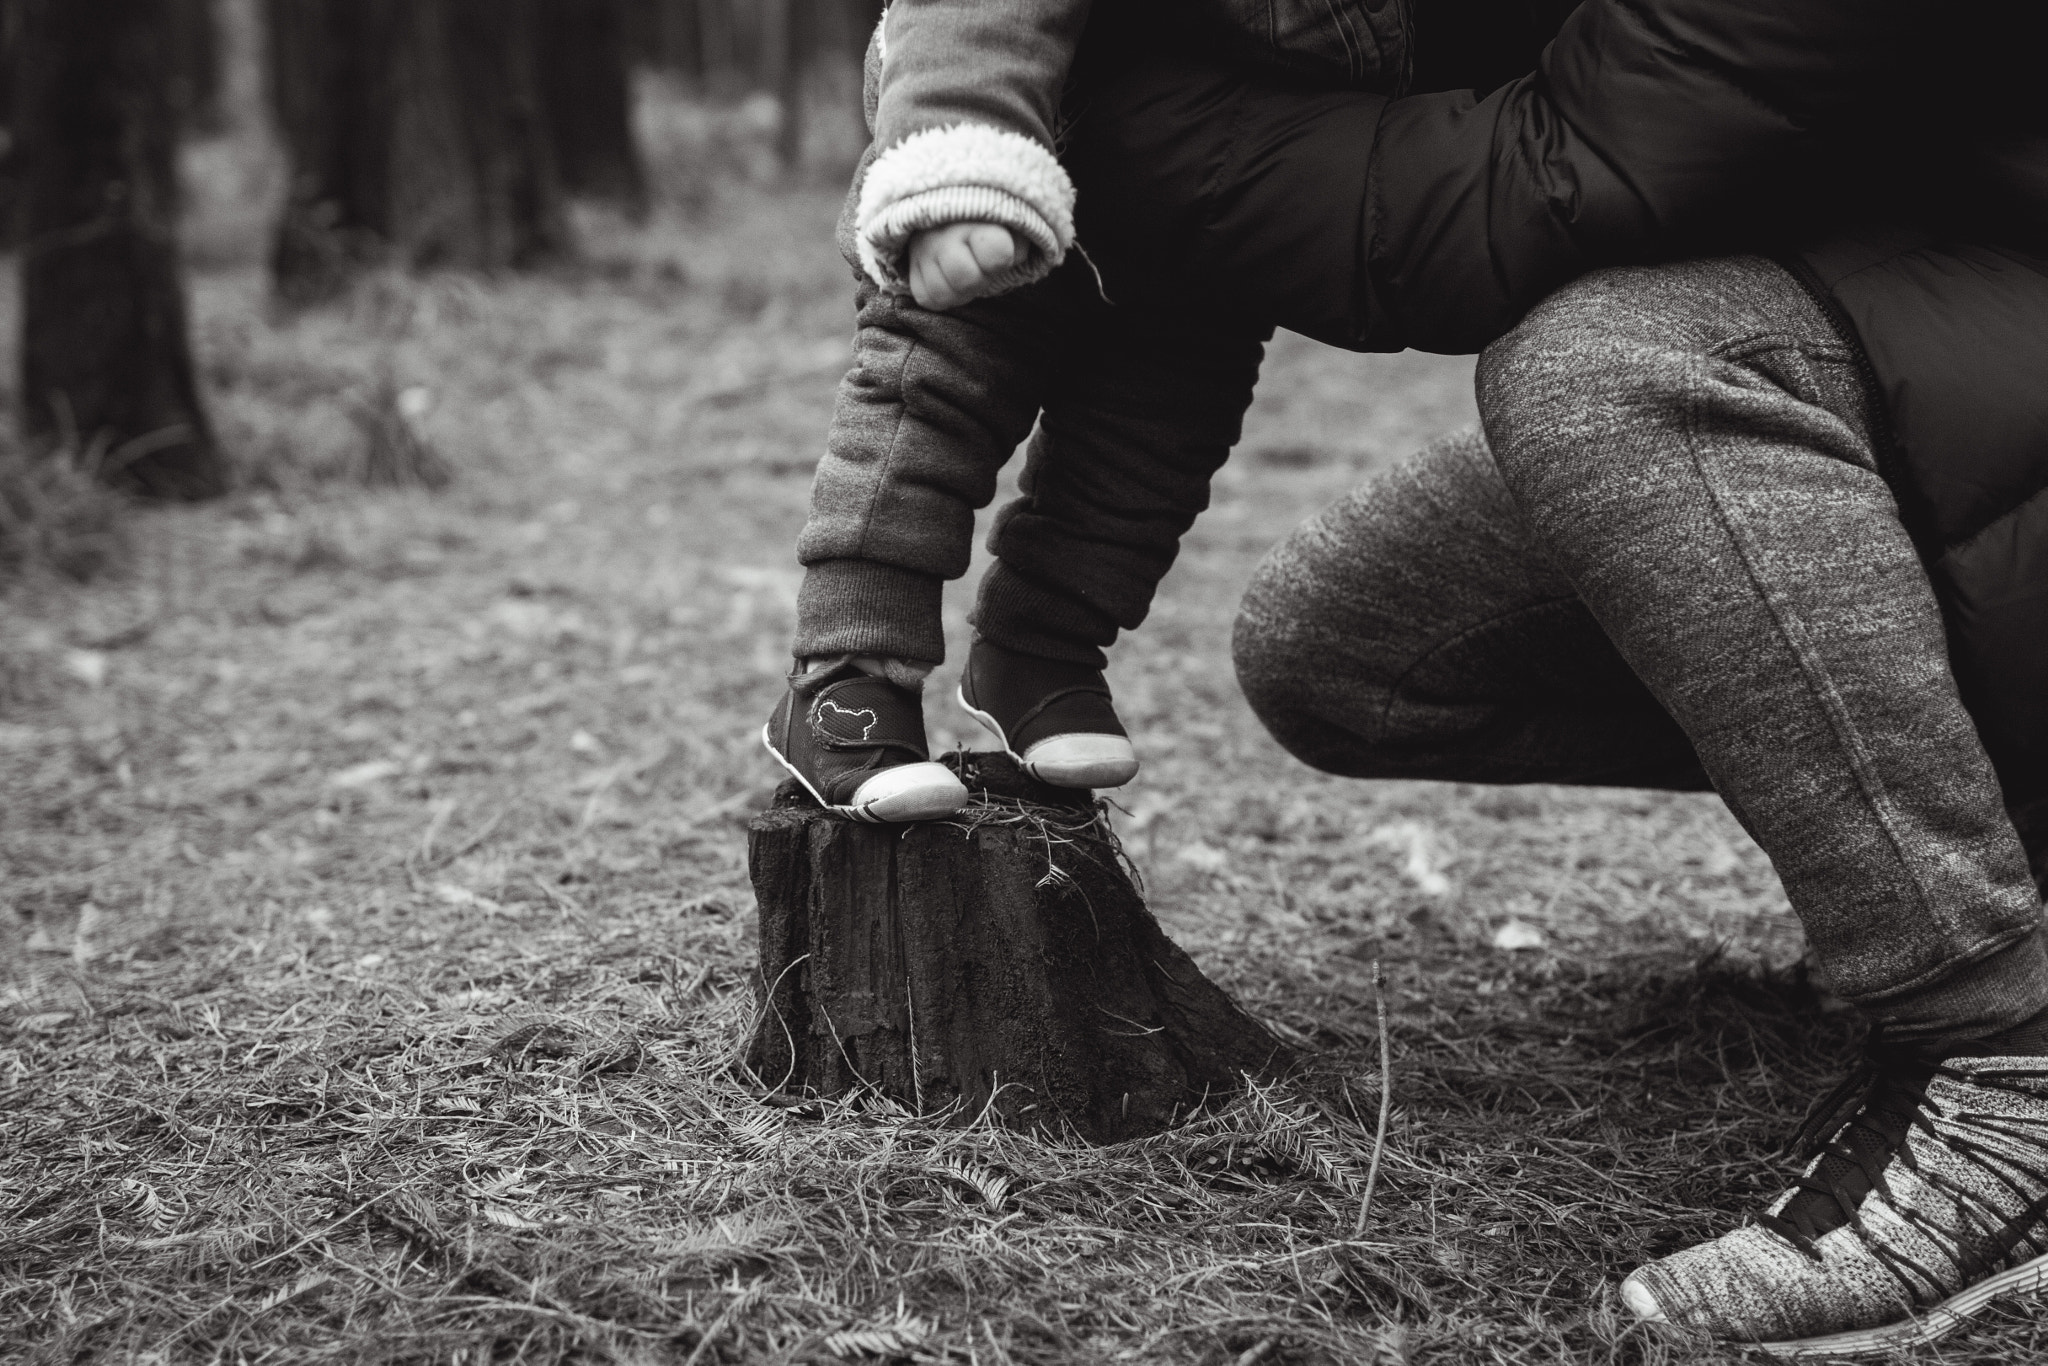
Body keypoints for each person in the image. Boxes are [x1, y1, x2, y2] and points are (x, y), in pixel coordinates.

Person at [1051, 0, 2048, 1350]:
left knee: (1617, 367)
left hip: (1996, 288)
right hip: (1942, 284)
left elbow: (1554, 172)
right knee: (1347, 645)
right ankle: (1996, 861)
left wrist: (1083, 110)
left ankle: (2003, 1061)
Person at [763, 0, 1551, 822]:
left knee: (1151, 443)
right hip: (1025, 130)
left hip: (1222, 187)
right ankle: (847, 679)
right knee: (934, 396)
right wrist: (956, 152)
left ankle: (1041, 650)